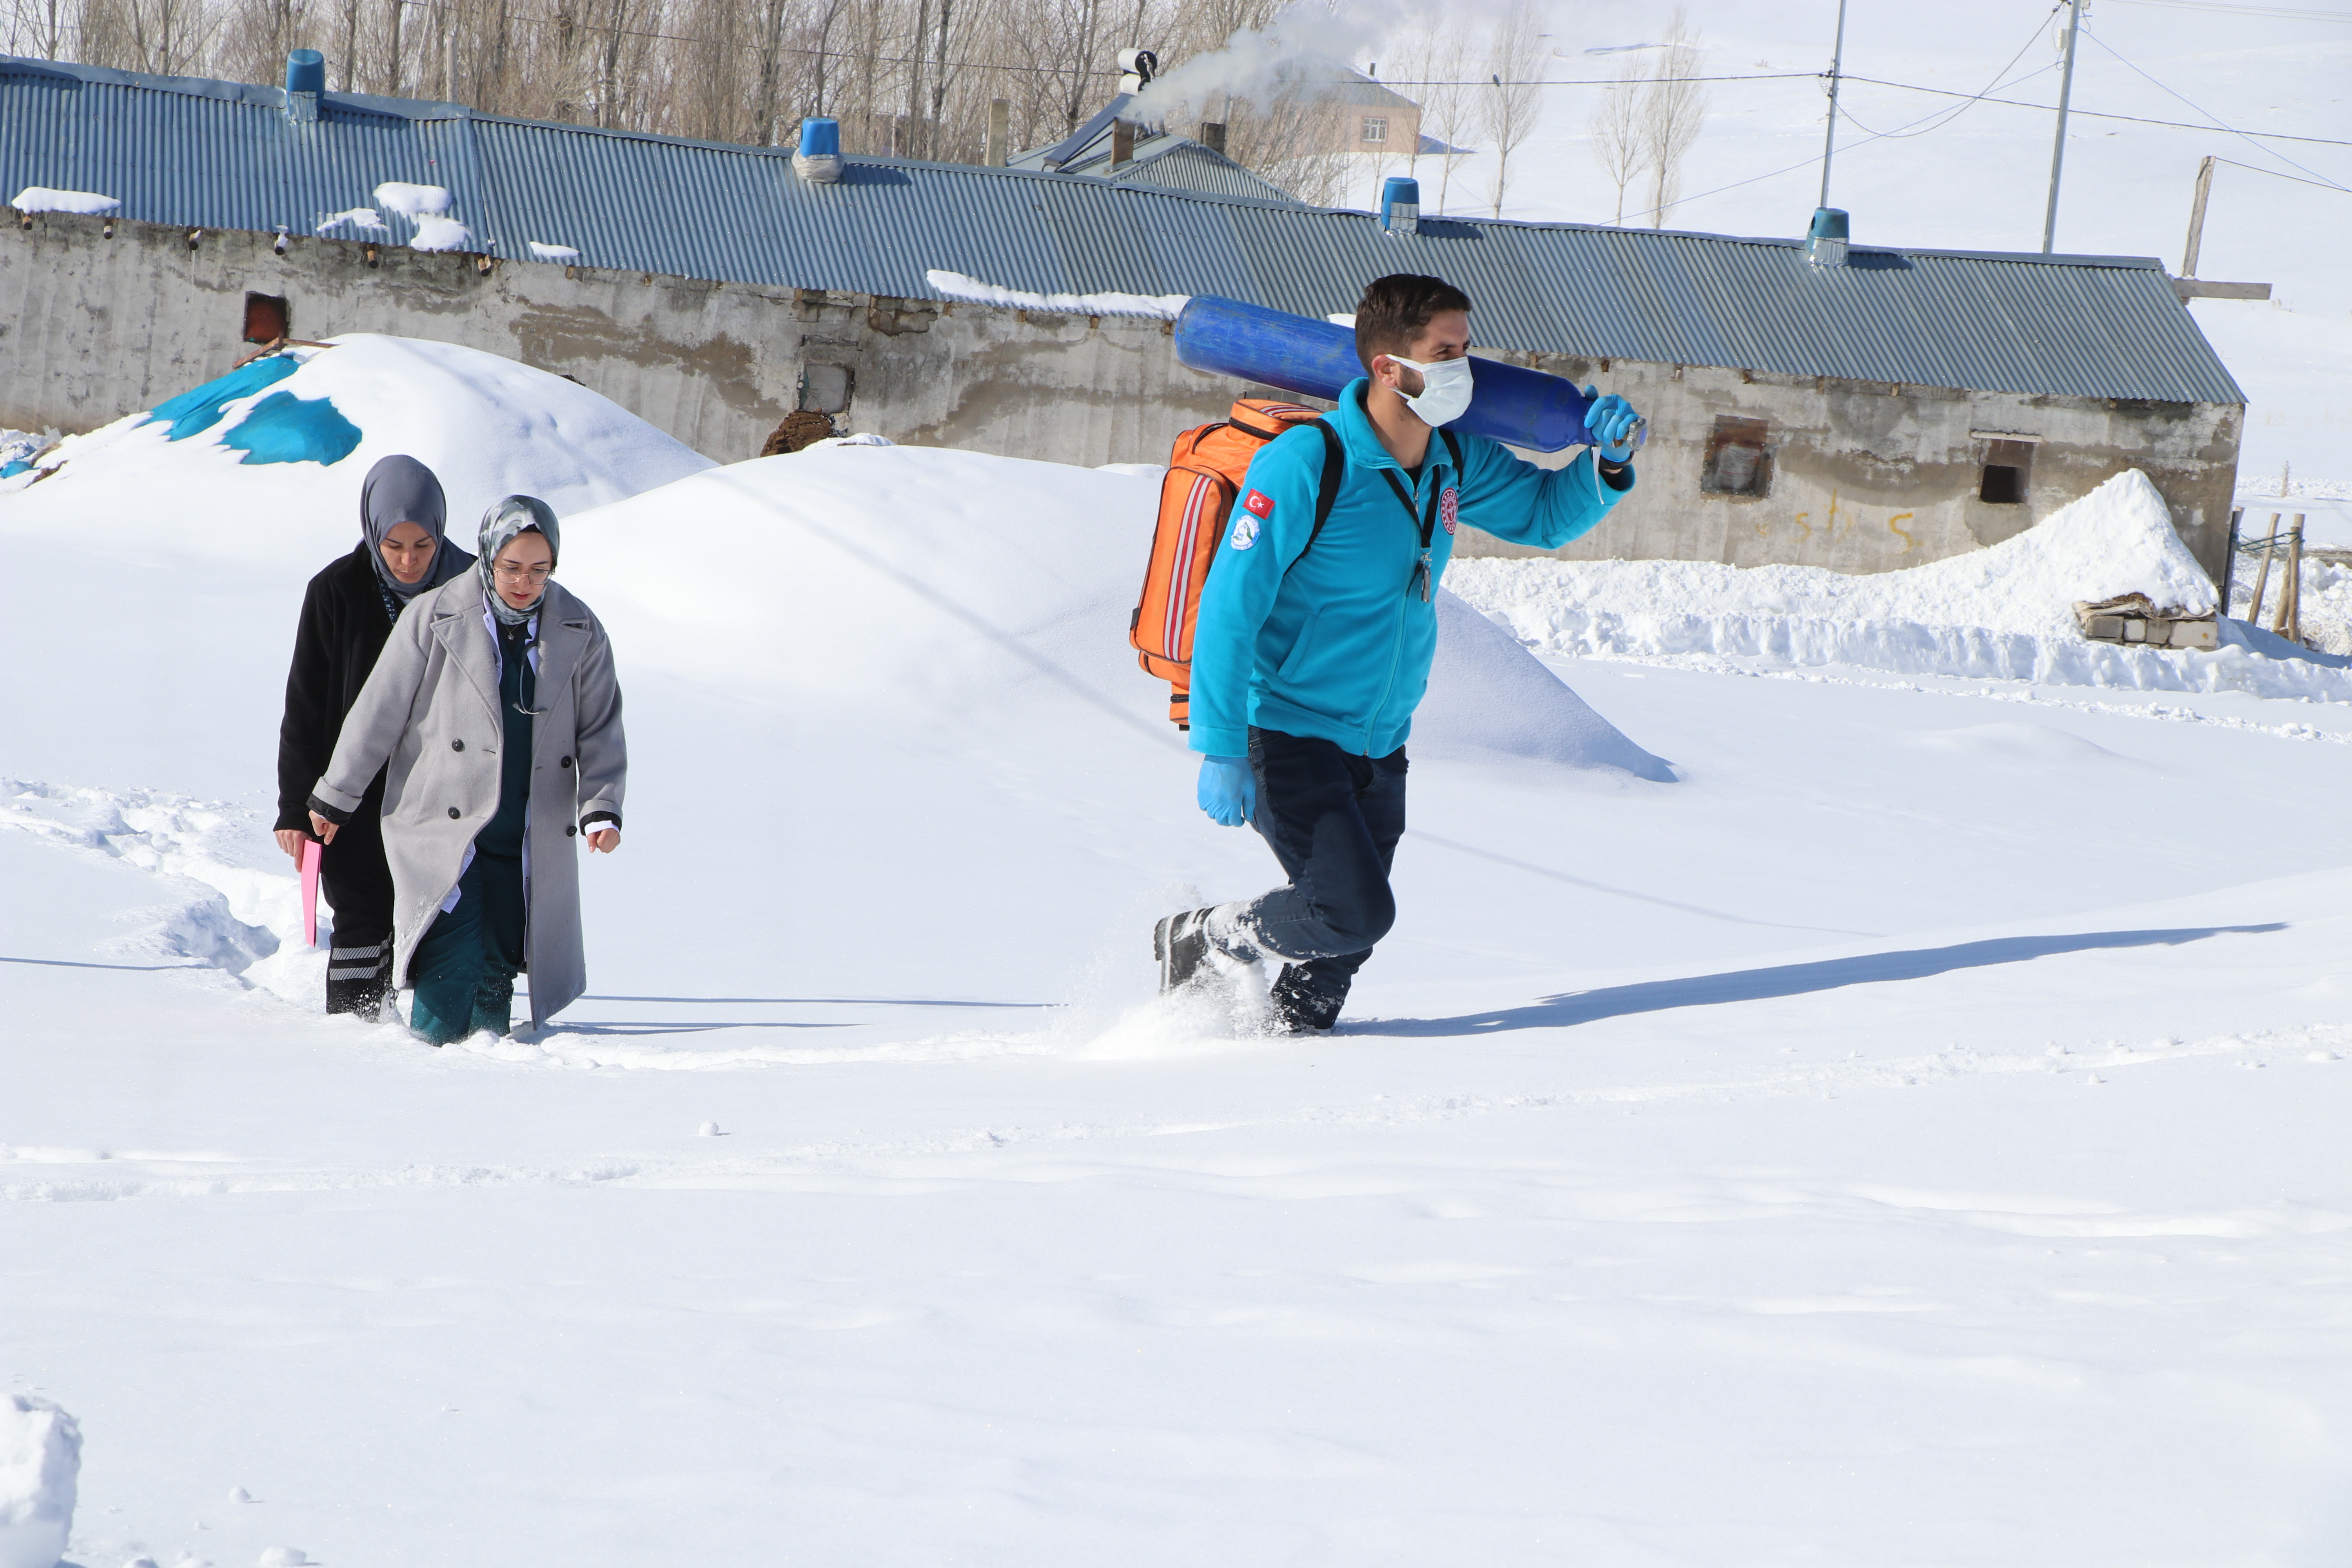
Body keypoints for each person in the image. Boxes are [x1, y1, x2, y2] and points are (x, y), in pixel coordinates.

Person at [1156, 273, 1645, 1033]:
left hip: (1381, 740)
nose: (1465, 369)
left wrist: (1605, 464)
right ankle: (1207, 936)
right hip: (1285, 729)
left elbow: (1544, 517)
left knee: (1340, 951)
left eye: (1466, 349)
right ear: (1389, 367)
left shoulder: (1454, 458)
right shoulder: (1309, 462)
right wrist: (1220, 745)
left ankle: (1281, 1054)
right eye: (1445, 353)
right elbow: (1229, 608)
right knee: (1351, 913)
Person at [307, 496, 627, 1044]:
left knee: (499, 954)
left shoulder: (580, 629)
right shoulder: (434, 616)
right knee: (451, 947)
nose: (524, 583)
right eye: (511, 567)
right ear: (487, 556)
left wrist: (600, 808)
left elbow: (599, 727)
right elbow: (379, 712)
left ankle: (486, 1061)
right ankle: (433, 1064)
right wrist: (336, 794)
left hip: (526, 827)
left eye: (540, 570)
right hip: (448, 820)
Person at [275, 455, 474, 1016]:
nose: (409, 561)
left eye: (423, 546)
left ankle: (449, 1039)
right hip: (352, 793)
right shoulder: (336, 590)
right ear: (371, 530)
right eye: (394, 546)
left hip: (443, 790)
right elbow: (307, 706)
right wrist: (295, 808)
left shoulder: (473, 588)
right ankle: (355, 1036)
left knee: (441, 913)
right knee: (360, 911)